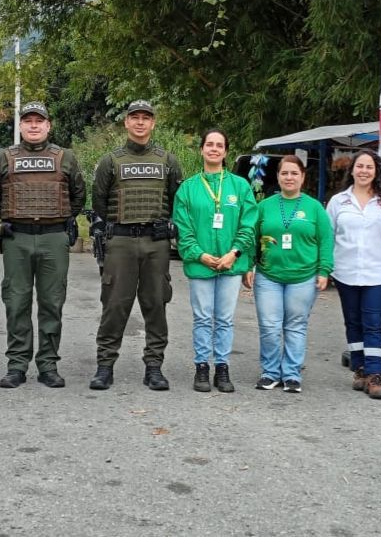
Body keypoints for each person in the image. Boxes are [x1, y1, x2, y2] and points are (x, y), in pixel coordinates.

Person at [0, 101, 86, 389]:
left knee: (52, 302)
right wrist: (9, 218)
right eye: (28, 120)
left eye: (39, 121)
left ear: (48, 125)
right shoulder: (5, 158)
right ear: (20, 126)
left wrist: (61, 219)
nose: (33, 125)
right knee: (16, 301)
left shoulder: (65, 157)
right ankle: (17, 365)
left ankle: (48, 364)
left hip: (53, 237)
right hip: (16, 237)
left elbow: (78, 195)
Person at [89, 100, 183, 391]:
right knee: (115, 304)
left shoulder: (168, 161)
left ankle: (154, 367)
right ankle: (105, 366)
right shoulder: (110, 161)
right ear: (126, 123)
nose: (140, 122)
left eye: (146, 118)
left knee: (156, 304)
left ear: (153, 123)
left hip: (156, 243)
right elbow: (99, 203)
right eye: (135, 118)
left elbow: (177, 201)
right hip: (121, 241)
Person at [173, 128, 257, 393]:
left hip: (231, 264)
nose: (214, 149)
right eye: (209, 144)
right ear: (202, 150)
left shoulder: (240, 186)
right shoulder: (188, 188)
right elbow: (182, 228)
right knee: (202, 317)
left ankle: (222, 367)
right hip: (201, 264)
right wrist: (200, 254)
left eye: (219, 145)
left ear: (226, 152)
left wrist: (235, 253)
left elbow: (249, 224)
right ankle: (201, 367)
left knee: (224, 319)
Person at [244, 155, 333, 394]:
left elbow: (326, 240)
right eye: (285, 173)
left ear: (302, 177)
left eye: (294, 173)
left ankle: (292, 374)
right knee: (270, 326)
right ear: (278, 177)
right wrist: (248, 266)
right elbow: (251, 238)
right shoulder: (264, 206)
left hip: (303, 277)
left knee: (295, 326)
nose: (289, 177)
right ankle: (270, 372)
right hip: (268, 275)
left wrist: (324, 270)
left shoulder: (314, 207)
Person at [326, 150, 381, 399]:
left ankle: (375, 374)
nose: (364, 171)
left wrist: (379, 258)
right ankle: (359, 369)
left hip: (377, 273)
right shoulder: (338, 202)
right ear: (353, 170)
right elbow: (329, 236)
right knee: (353, 322)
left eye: (369, 167)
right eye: (360, 166)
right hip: (346, 272)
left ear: (376, 171)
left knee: (374, 325)